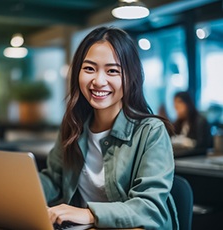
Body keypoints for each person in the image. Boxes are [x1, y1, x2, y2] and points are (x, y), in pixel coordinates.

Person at [40, 27, 179, 229]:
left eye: (112, 71)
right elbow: (54, 179)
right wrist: (18, 193)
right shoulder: (73, 125)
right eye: (89, 69)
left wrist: (88, 214)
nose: (99, 81)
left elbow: (150, 207)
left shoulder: (151, 132)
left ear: (130, 77)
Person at [172, 91, 212, 157]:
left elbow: (202, 147)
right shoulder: (179, 122)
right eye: (175, 106)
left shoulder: (200, 122)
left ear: (187, 104)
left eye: (179, 104)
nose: (177, 109)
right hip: (181, 158)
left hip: (194, 158)